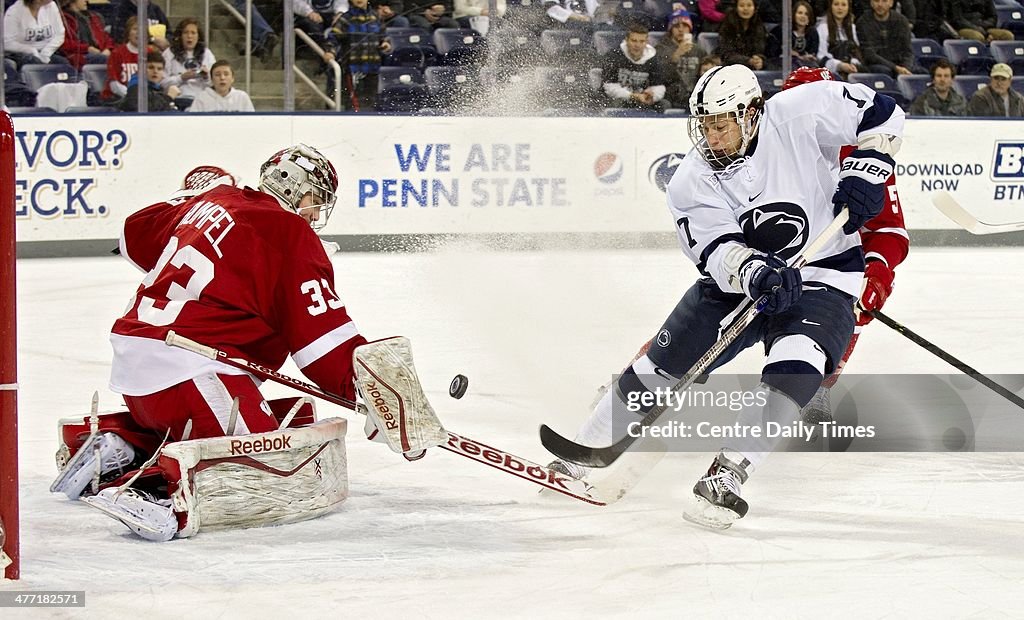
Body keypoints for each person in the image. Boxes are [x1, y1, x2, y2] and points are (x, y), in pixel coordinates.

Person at [551, 63, 904, 529]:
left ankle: (728, 473)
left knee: (797, 368)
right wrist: (752, 270)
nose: (712, 138)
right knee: (661, 365)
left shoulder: (799, 110)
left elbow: (884, 115)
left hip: (824, 272)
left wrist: (870, 166)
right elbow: (715, 249)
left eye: (722, 124)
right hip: (742, 281)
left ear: (753, 113)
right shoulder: (689, 181)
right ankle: (581, 455)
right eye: (705, 126)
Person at [51, 147, 445, 539]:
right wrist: (366, 393)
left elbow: (134, 233)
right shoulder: (290, 234)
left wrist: (191, 197)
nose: (314, 214)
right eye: (315, 201)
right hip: (194, 371)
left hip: (140, 372)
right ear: (296, 189)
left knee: (255, 430)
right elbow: (324, 344)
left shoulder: (214, 200)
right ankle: (151, 489)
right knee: (271, 469)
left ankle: (122, 445)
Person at [780, 66, 909, 425]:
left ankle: (821, 382)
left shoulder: (864, 155)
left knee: (857, 286)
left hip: (829, 265)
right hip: (766, 262)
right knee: (714, 304)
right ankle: (650, 373)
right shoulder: (760, 150)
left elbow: (889, 231)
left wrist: (878, 275)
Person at [325, 0, 392, 111]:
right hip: (352, 69)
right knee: (353, 104)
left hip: (372, 69)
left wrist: (385, 43)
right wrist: (330, 51)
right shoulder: (346, 18)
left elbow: (383, 36)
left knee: (370, 102)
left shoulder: (376, 17)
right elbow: (333, 38)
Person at [602, 22, 667, 111]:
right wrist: (632, 96)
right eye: (634, 41)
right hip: (621, 98)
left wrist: (652, 95)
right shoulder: (614, 55)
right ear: (626, 40)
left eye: (642, 41)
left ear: (646, 42)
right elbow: (608, 87)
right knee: (616, 103)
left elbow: (659, 86)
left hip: (642, 98)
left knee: (664, 104)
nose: (637, 45)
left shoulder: (652, 58)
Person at [856, 0, 922, 78]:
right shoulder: (863, 22)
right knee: (885, 71)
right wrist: (895, 68)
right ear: (871, 3)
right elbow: (869, 55)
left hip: (899, 64)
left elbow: (908, 51)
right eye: (876, 1)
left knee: (921, 72)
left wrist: (905, 68)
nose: (880, 4)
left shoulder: (901, 20)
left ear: (891, 3)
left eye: (884, 1)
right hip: (876, 65)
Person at [656, 10, 704, 109]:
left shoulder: (699, 51)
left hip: (693, 95)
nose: (681, 30)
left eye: (685, 26)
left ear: (690, 29)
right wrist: (676, 55)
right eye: (677, 26)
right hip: (669, 95)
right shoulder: (660, 49)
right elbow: (660, 76)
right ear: (671, 29)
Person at [161, 17, 216, 100]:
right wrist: (181, 78)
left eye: (193, 33)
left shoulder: (206, 54)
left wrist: (206, 77)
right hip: (177, 99)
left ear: (198, 37)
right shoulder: (169, 53)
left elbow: (215, 83)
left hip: (201, 100)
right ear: (180, 36)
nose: (189, 36)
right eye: (186, 33)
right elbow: (161, 83)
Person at [3, 0, 66, 69]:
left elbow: (59, 34)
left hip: (46, 51)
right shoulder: (14, 11)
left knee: (63, 64)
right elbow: (7, 43)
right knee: (35, 63)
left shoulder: (51, 6)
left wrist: (46, 53)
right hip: (21, 54)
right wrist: (31, 50)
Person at [117, 50, 181, 112]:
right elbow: (144, 111)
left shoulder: (158, 89)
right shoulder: (136, 87)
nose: (155, 71)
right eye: (151, 67)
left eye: (159, 69)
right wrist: (169, 97)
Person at [59, 0, 114, 70]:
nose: (86, 1)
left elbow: (106, 37)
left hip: (100, 53)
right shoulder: (64, 19)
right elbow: (63, 43)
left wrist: (108, 49)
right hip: (79, 55)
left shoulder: (95, 17)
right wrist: (87, 48)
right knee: (103, 59)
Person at [765, 0, 819, 70]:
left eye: (806, 14)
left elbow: (813, 52)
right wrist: (786, 53)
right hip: (780, 64)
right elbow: (771, 54)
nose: (803, 16)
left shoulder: (813, 32)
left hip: (804, 65)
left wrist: (805, 57)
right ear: (793, 14)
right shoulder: (780, 30)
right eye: (800, 13)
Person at [816, 0, 863, 78]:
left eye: (843, 5)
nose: (840, 8)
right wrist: (839, 65)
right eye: (836, 4)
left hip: (852, 72)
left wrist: (853, 64)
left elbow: (856, 53)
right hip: (830, 74)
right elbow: (820, 56)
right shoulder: (822, 28)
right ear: (831, 6)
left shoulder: (852, 28)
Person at [716, 0, 767, 71]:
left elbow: (762, 51)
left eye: (749, 5)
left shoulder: (759, 26)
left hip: (753, 69)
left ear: (755, 8)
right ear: (736, 8)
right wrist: (748, 61)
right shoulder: (727, 26)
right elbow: (726, 54)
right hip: (731, 68)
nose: (745, 9)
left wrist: (760, 59)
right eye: (742, 5)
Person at [188, 60, 256, 112]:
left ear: (232, 78)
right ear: (211, 79)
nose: (222, 78)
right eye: (217, 75)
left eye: (226, 74)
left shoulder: (242, 97)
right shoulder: (202, 97)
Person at [946, 0, 1013, 43]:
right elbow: (958, 20)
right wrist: (978, 28)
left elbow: (993, 17)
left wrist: (982, 26)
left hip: (984, 27)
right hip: (963, 28)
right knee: (977, 36)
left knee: (1007, 35)